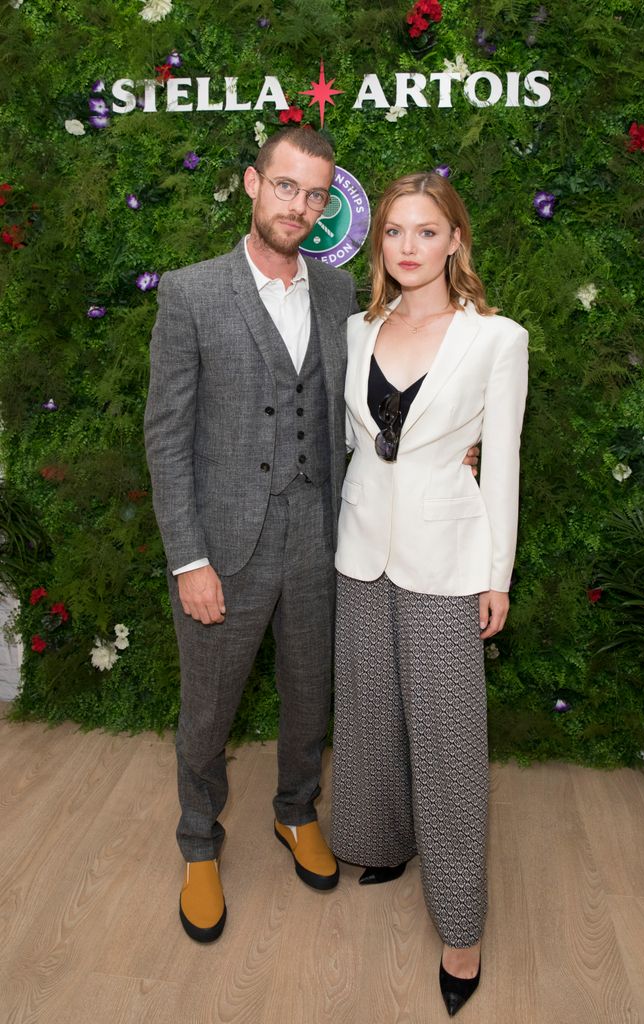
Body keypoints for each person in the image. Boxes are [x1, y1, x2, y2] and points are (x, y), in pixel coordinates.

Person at [144, 127, 358, 942]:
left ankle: (296, 811)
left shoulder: (339, 294)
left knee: (310, 695)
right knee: (208, 709)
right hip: (222, 545)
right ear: (251, 183)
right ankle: (199, 841)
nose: (297, 206)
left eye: (314, 195)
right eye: (284, 187)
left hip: (319, 535)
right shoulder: (192, 292)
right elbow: (165, 436)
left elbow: (362, 408)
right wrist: (188, 558)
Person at [330, 172, 528, 1016]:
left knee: (447, 742)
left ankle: (461, 926)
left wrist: (498, 575)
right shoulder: (354, 329)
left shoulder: (496, 339)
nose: (408, 247)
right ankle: (383, 841)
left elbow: (505, 464)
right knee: (370, 716)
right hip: (360, 551)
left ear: (455, 240)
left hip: (449, 559)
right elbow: (358, 442)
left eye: (425, 231)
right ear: (380, 245)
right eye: (394, 233)